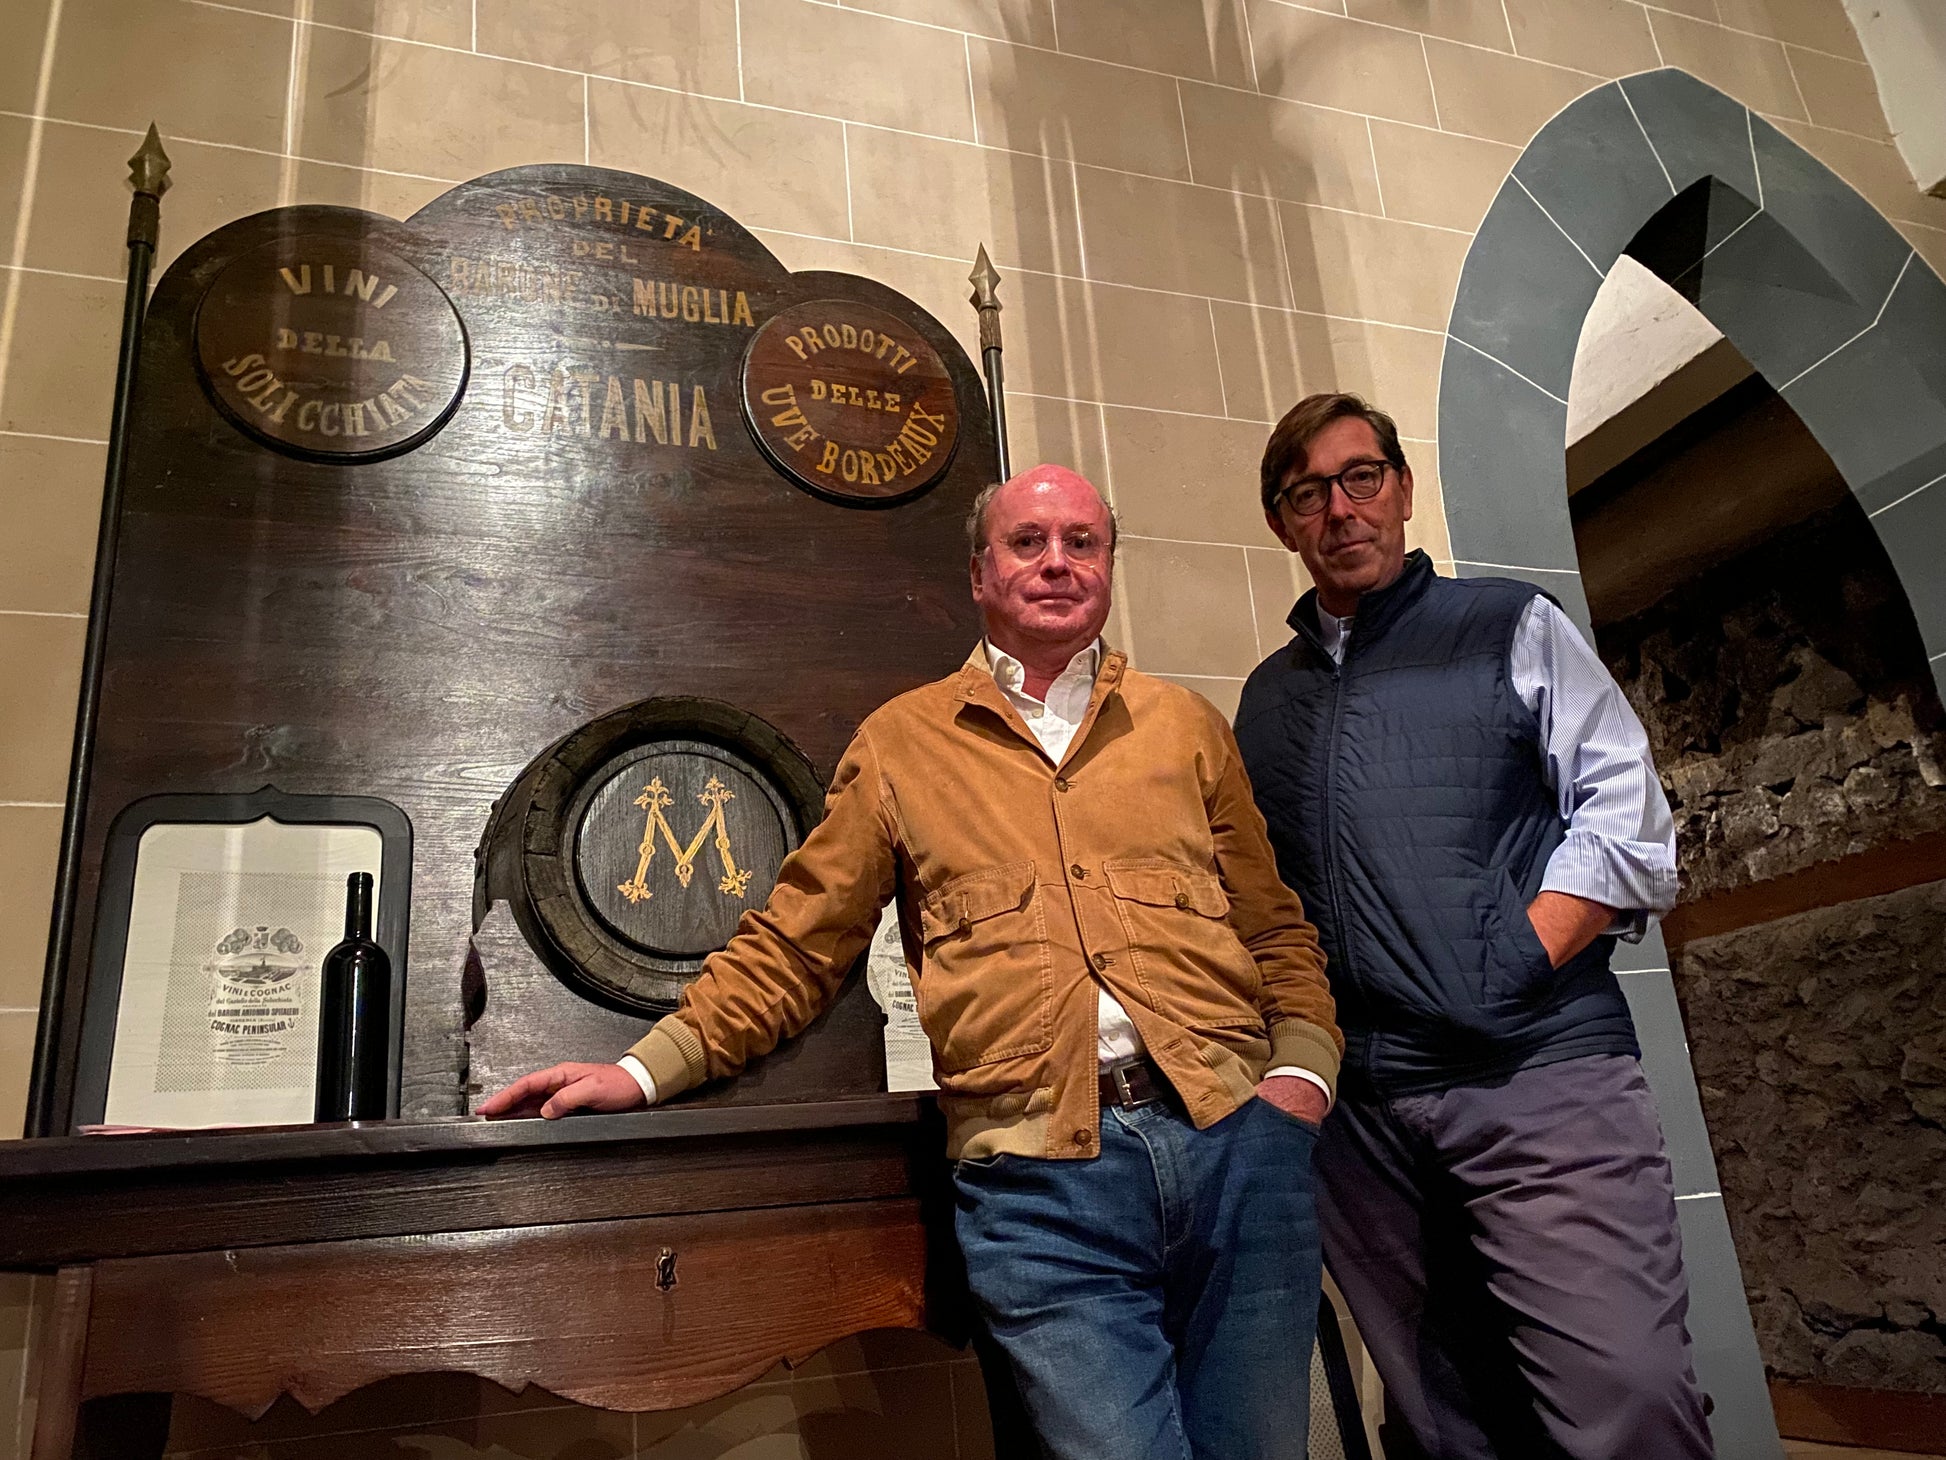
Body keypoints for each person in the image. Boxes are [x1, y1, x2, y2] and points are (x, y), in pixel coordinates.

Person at [481, 463, 1343, 1460]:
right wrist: (642, 1069)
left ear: (1109, 566)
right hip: (1042, 1187)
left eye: (1082, 542)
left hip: (1238, 1148)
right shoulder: (901, 744)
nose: (1057, 563)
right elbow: (797, 942)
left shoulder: (1184, 726)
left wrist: (1301, 1077)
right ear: (979, 573)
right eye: (1027, 542)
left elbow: (1273, 926)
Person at [1233, 393, 1712, 1459]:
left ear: (1401, 489)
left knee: (1625, 1391)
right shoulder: (1265, 701)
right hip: (1363, 1114)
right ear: (1280, 523)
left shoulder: (1505, 624)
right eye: (1307, 494)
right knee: (1444, 1417)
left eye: (1361, 477)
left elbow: (1625, 813)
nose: (1340, 510)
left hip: (1533, 1070)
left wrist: (1514, 957)